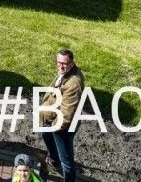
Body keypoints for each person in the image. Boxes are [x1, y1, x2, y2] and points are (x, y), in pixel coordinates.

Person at [39, 49, 83, 182]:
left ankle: (69, 179)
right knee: (45, 135)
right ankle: (54, 159)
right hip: (51, 120)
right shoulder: (66, 72)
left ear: (72, 63)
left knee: (66, 160)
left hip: (61, 127)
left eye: (64, 63)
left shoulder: (73, 84)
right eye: (58, 62)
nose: (61, 66)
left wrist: (54, 126)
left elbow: (66, 115)